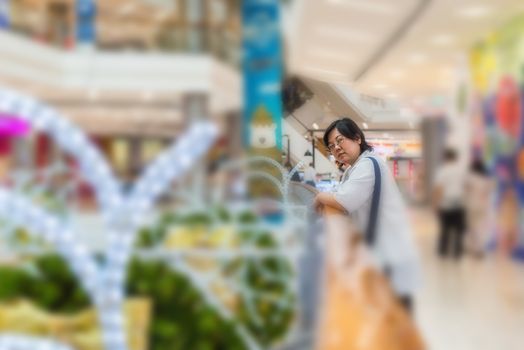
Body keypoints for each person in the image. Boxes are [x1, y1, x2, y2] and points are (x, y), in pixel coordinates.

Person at [314, 117, 420, 313]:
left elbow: (344, 201)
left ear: (357, 138)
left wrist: (320, 196)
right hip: (382, 254)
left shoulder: (368, 164)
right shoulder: (354, 168)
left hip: (388, 257)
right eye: (331, 146)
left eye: (339, 140)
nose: (336, 148)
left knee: (394, 320)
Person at [432, 148, 467, 259]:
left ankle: (443, 251)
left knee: (445, 229)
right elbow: (466, 187)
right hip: (459, 203)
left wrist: (436, 204)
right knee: (459, 230)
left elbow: (439, 189)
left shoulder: (443, 171)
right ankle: (457, 252)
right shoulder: (461, 171)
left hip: (446, 204)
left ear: (445, 158)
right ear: (455, 158)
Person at [465, 159, 494, 257]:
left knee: (471, 227)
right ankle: (479, 248)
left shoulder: (470, 178)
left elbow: (466, 190)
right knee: (480, 228)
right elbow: (488, 192)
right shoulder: (487, 179)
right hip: (483, 206)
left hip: (471, 205)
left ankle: (472, 247)